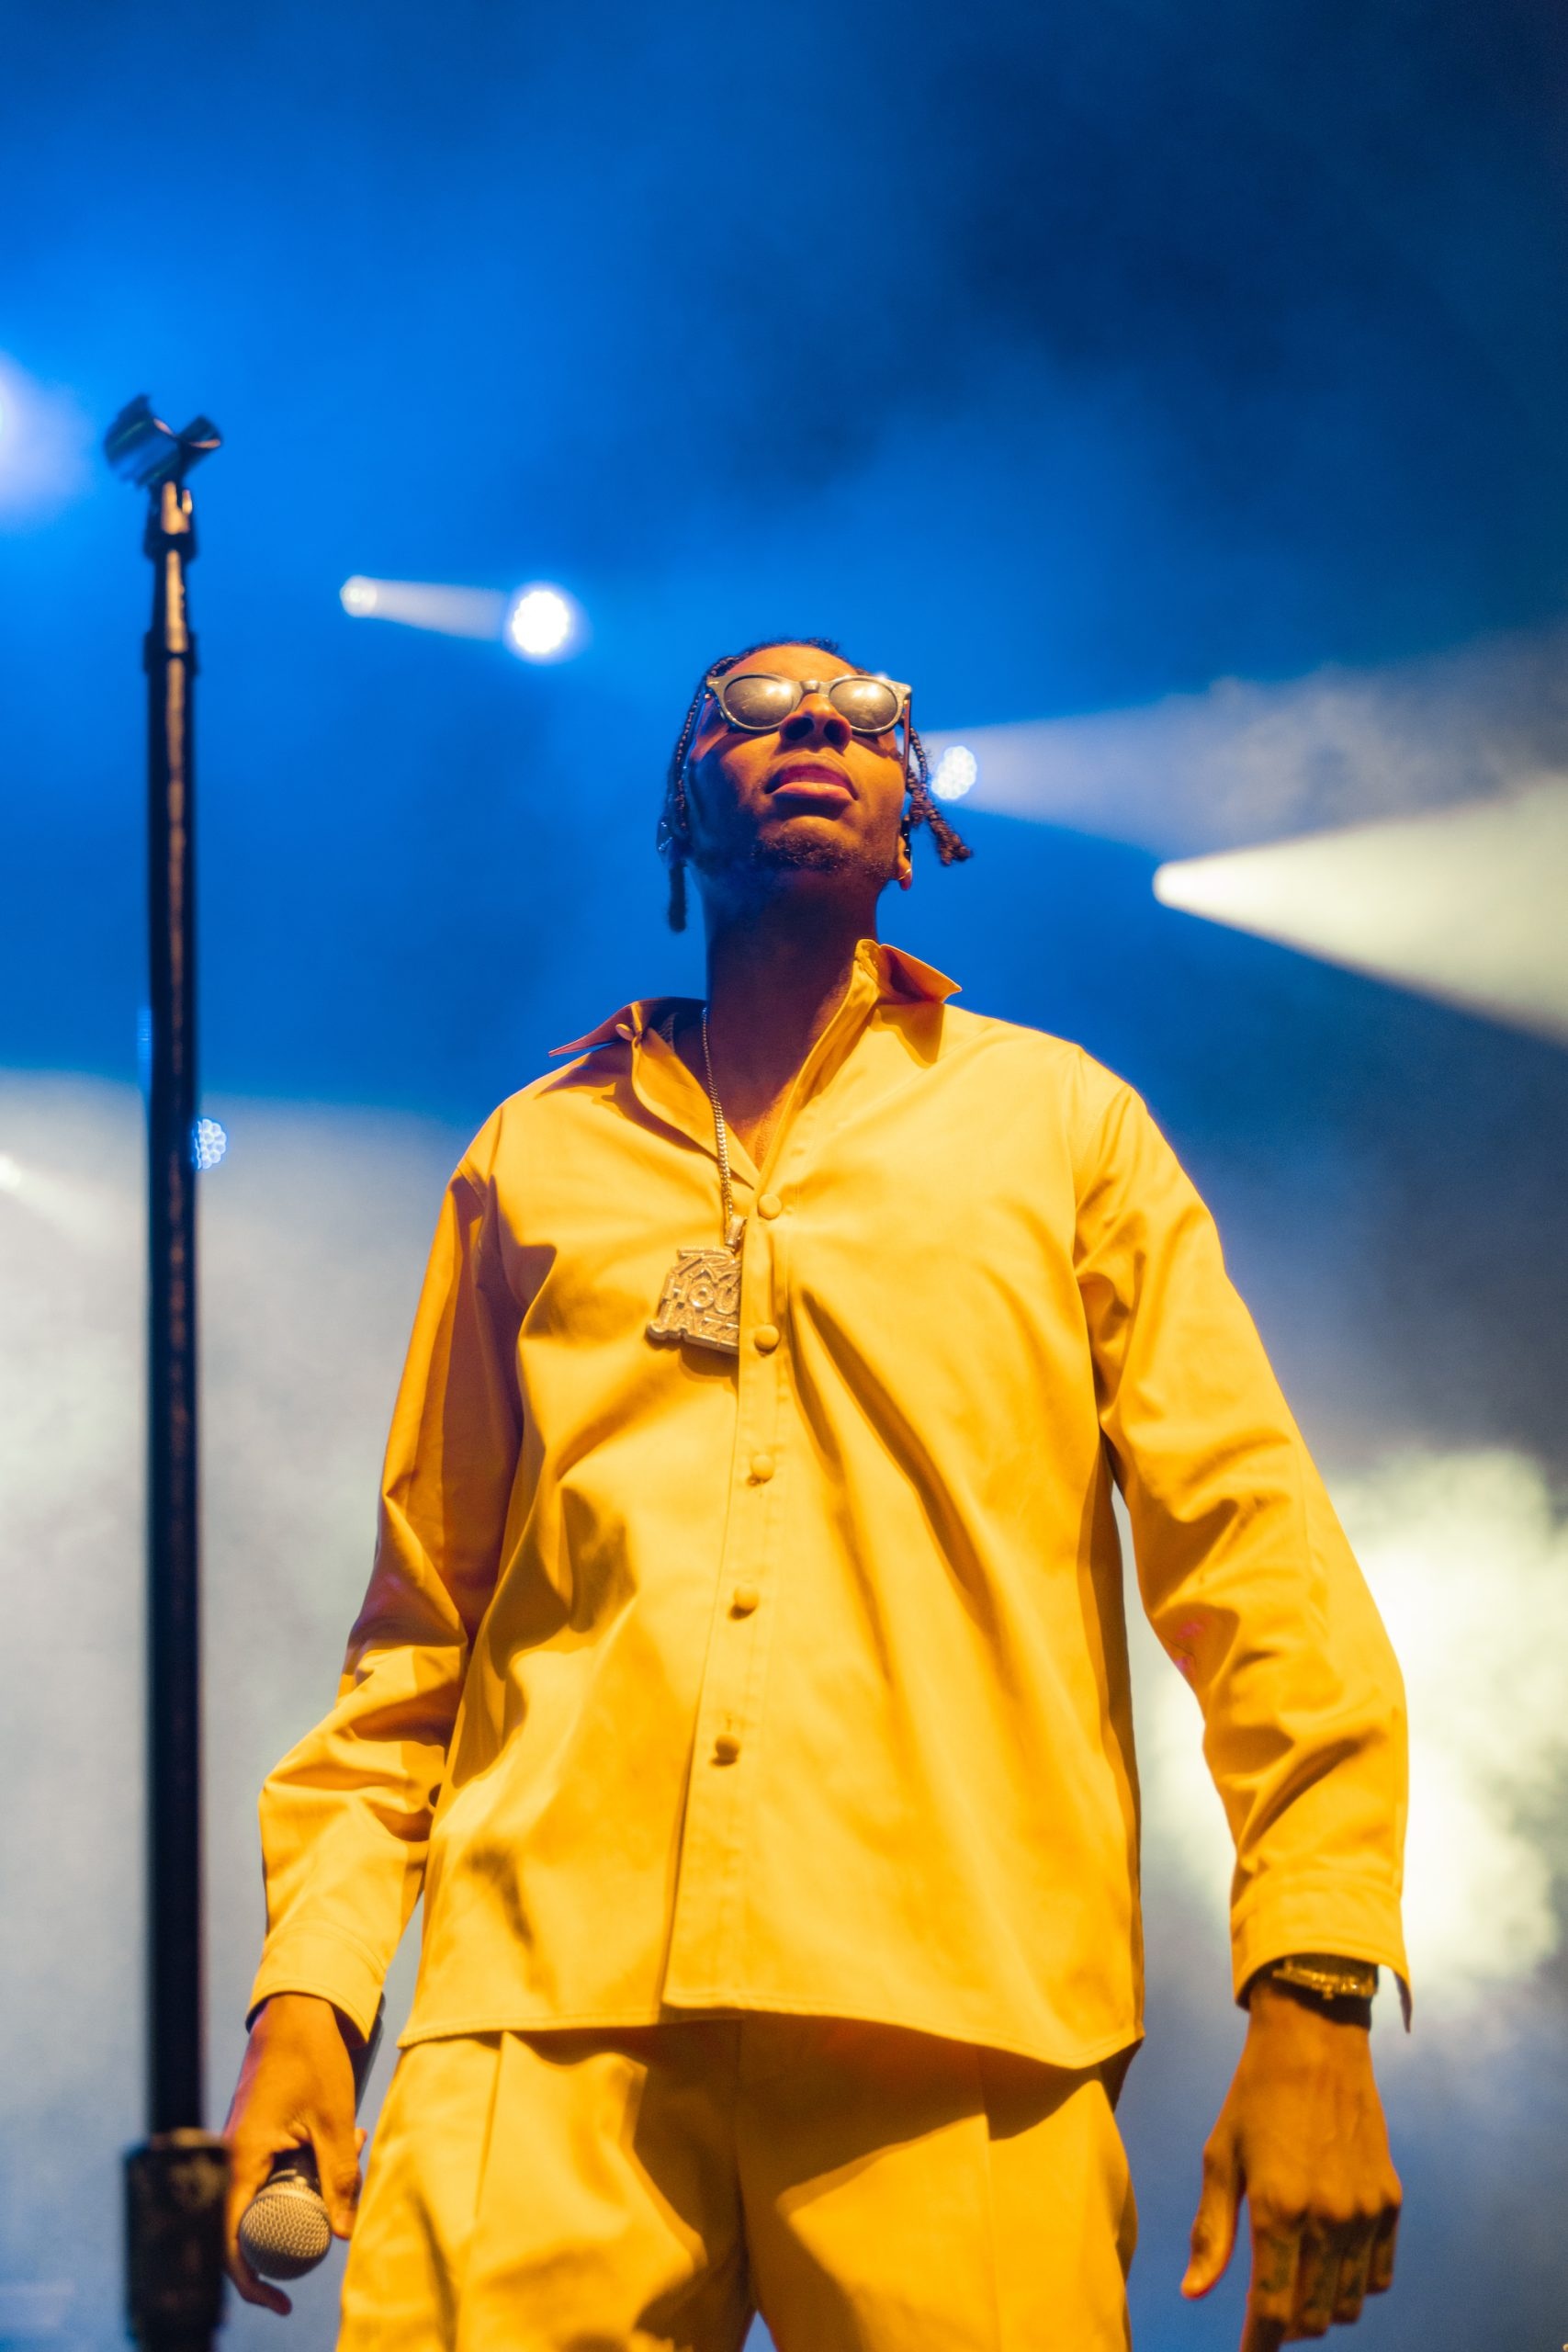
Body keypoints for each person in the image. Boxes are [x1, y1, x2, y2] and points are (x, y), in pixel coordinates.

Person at [224, 639, 1408, 2351]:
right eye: (759, 711)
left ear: (913, 812)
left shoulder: (1065, 1129)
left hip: (955, 2014)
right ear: (679, 800)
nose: (821, 737)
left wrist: (1314, 1992)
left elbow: (1257, 1561)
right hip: (536, 2031)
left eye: (868, 720)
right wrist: (311, 1999)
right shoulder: (527, 1160)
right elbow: (418, 1640)